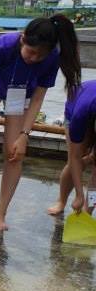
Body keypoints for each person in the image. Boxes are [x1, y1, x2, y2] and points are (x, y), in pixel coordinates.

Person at [0, 16, 82, 232]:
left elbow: (38, 99)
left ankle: (1, 212)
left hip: (20, 96)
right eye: (30, 52)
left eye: (40, 55)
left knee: (15, 153)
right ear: (22, 39)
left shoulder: (52, 58)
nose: (33, 58)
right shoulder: (2, 47)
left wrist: (24, 135)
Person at [47, 80, 96, 216]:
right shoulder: (81, 112)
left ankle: (88, 211)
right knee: (76, 158)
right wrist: (79, 194)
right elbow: (74, 157)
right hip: (77, 105)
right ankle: (61, 201)